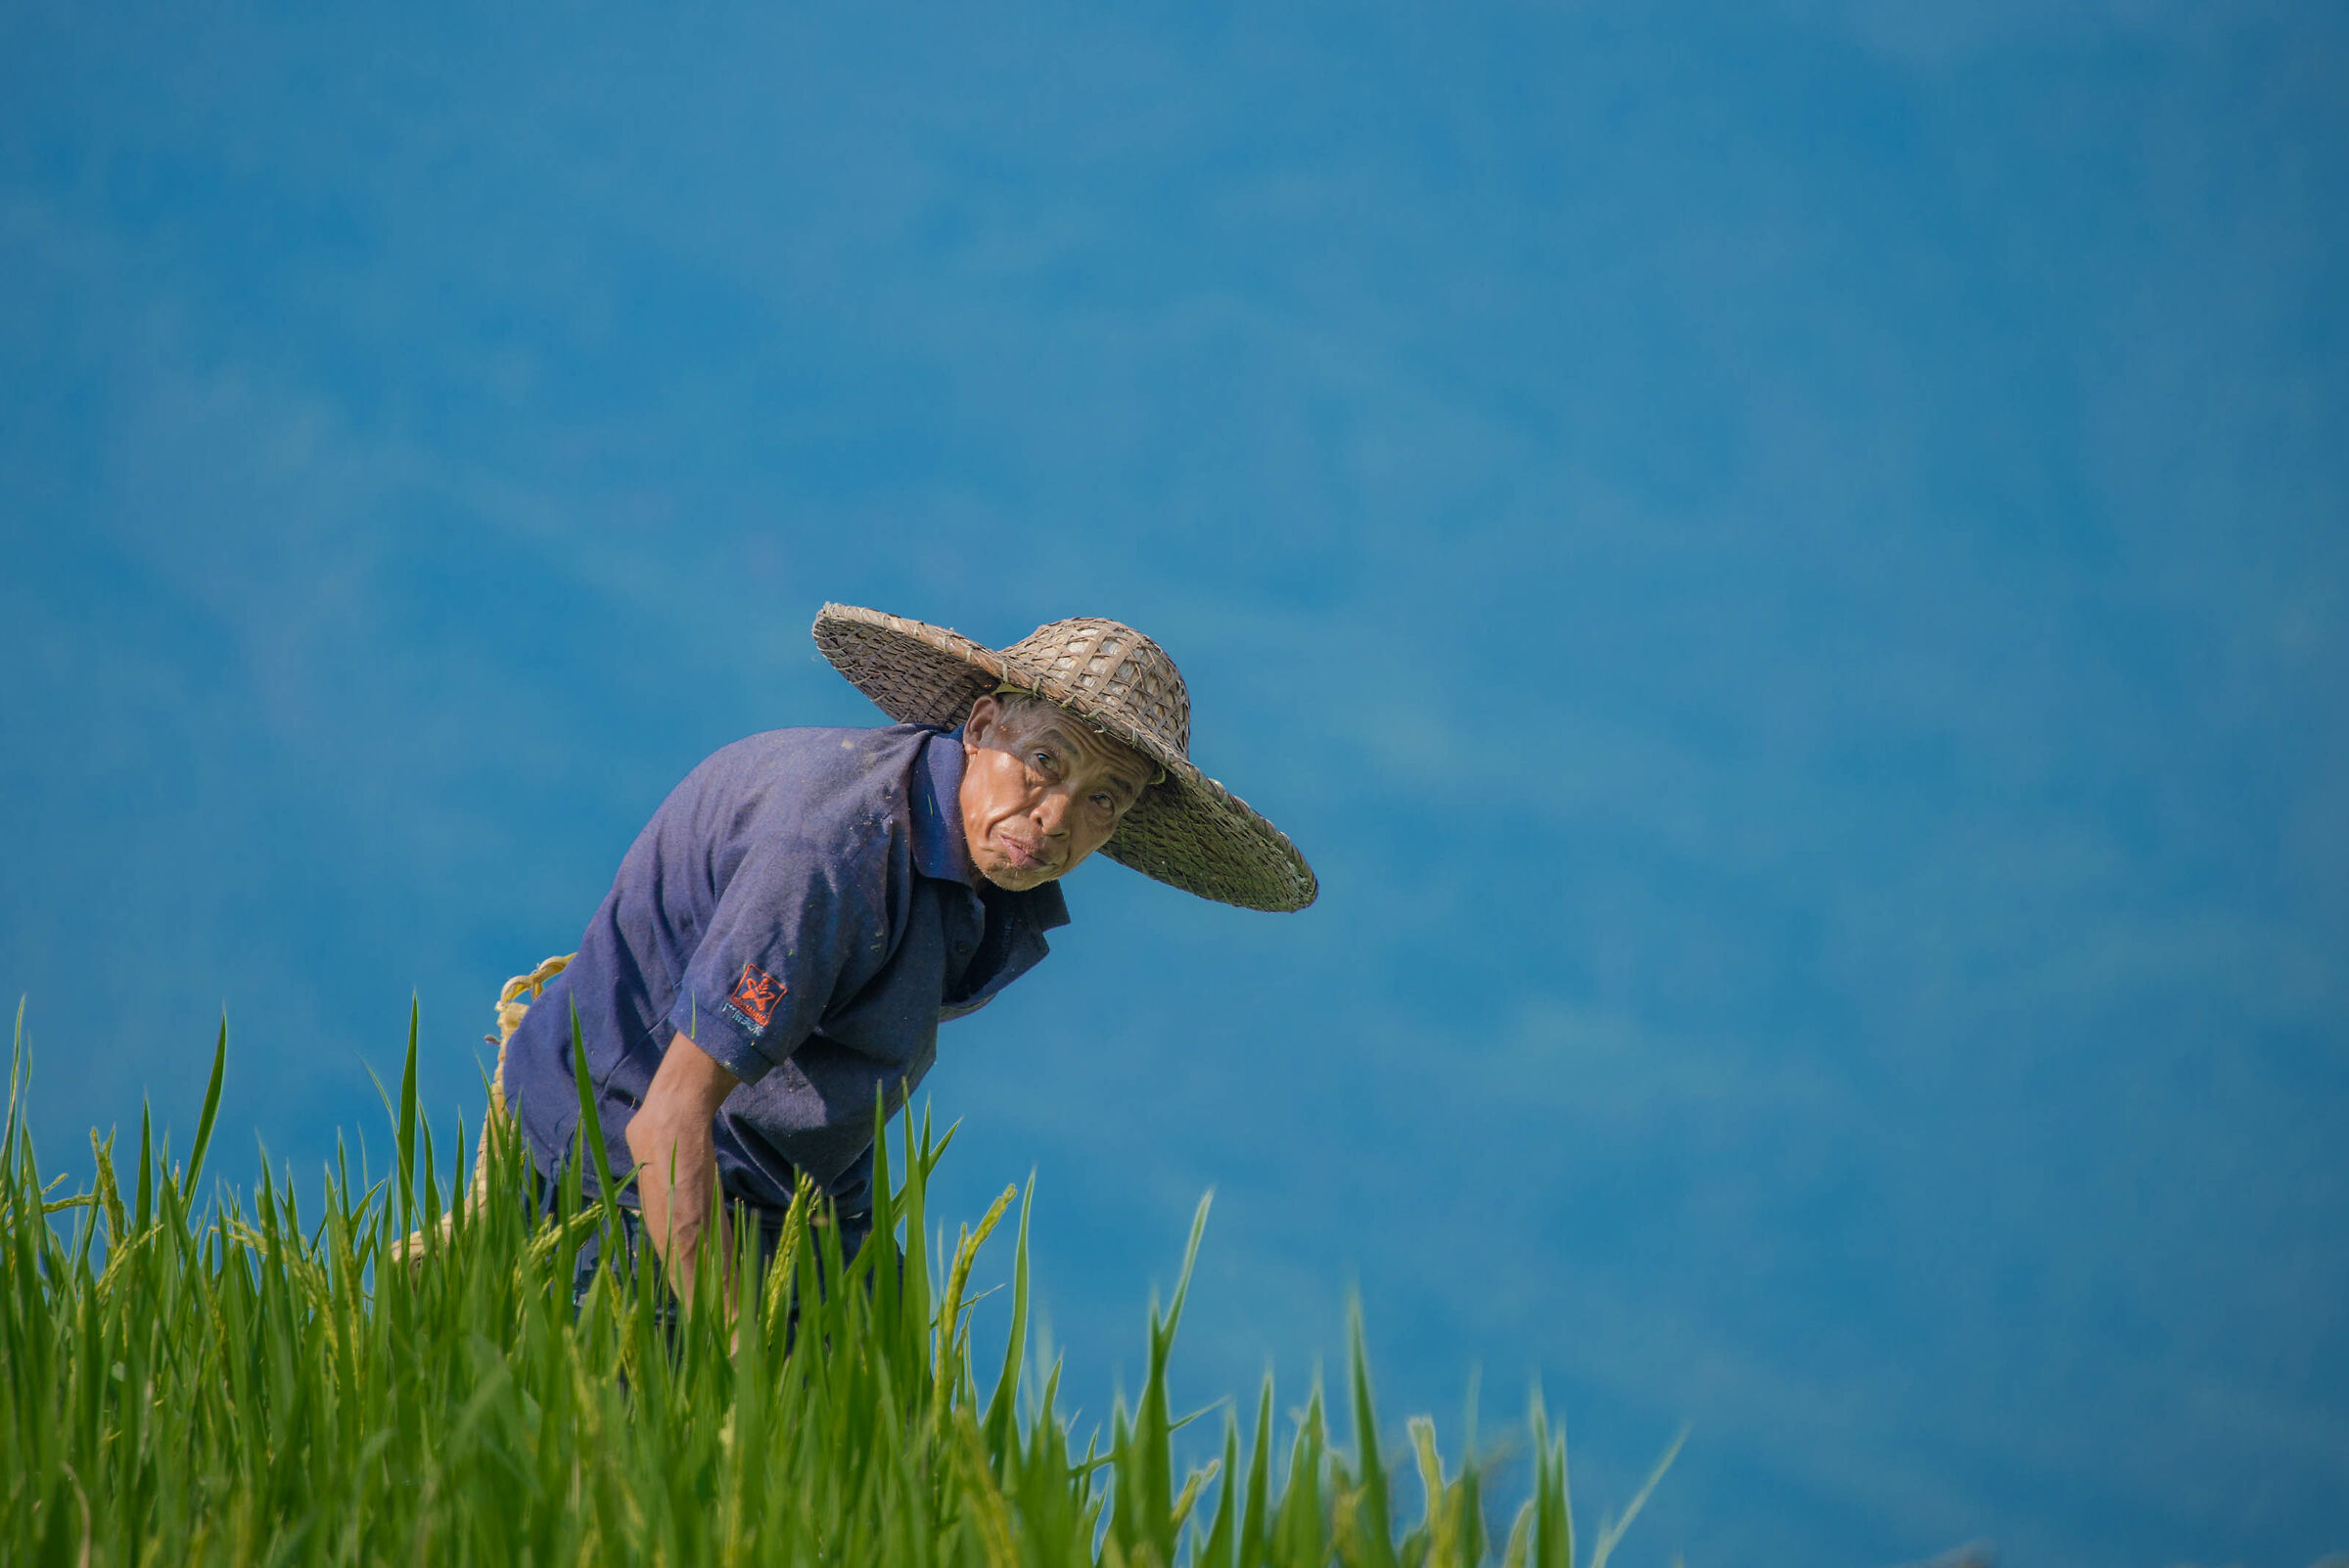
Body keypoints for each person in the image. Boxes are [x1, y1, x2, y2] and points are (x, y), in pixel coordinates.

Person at [497, 603, 1316, 1303]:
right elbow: (667, 1123)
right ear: (984, 725)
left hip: (793, 1192)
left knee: (888, 1441)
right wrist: (738, 1356)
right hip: (618, 1171)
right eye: (1044, 763)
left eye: (1102, 799)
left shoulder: (983, 863)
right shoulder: (828, 856)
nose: (1058, 816)